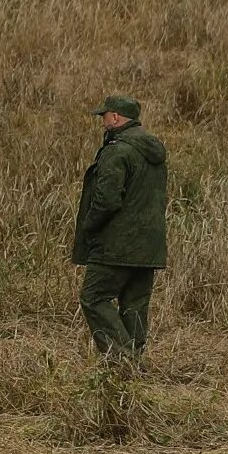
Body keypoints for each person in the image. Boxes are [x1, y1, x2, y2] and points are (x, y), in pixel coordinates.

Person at [73, 94, 168, 361]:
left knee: (93, 297)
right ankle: (132, 371)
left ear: (115, 117)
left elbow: (106, 200)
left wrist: (89, 226)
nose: (102, 121)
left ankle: (125, 361)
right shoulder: (154, 153)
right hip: (149, 246)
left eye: (104, 116)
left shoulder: (117, 151)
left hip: (116, 245)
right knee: (135, 306)